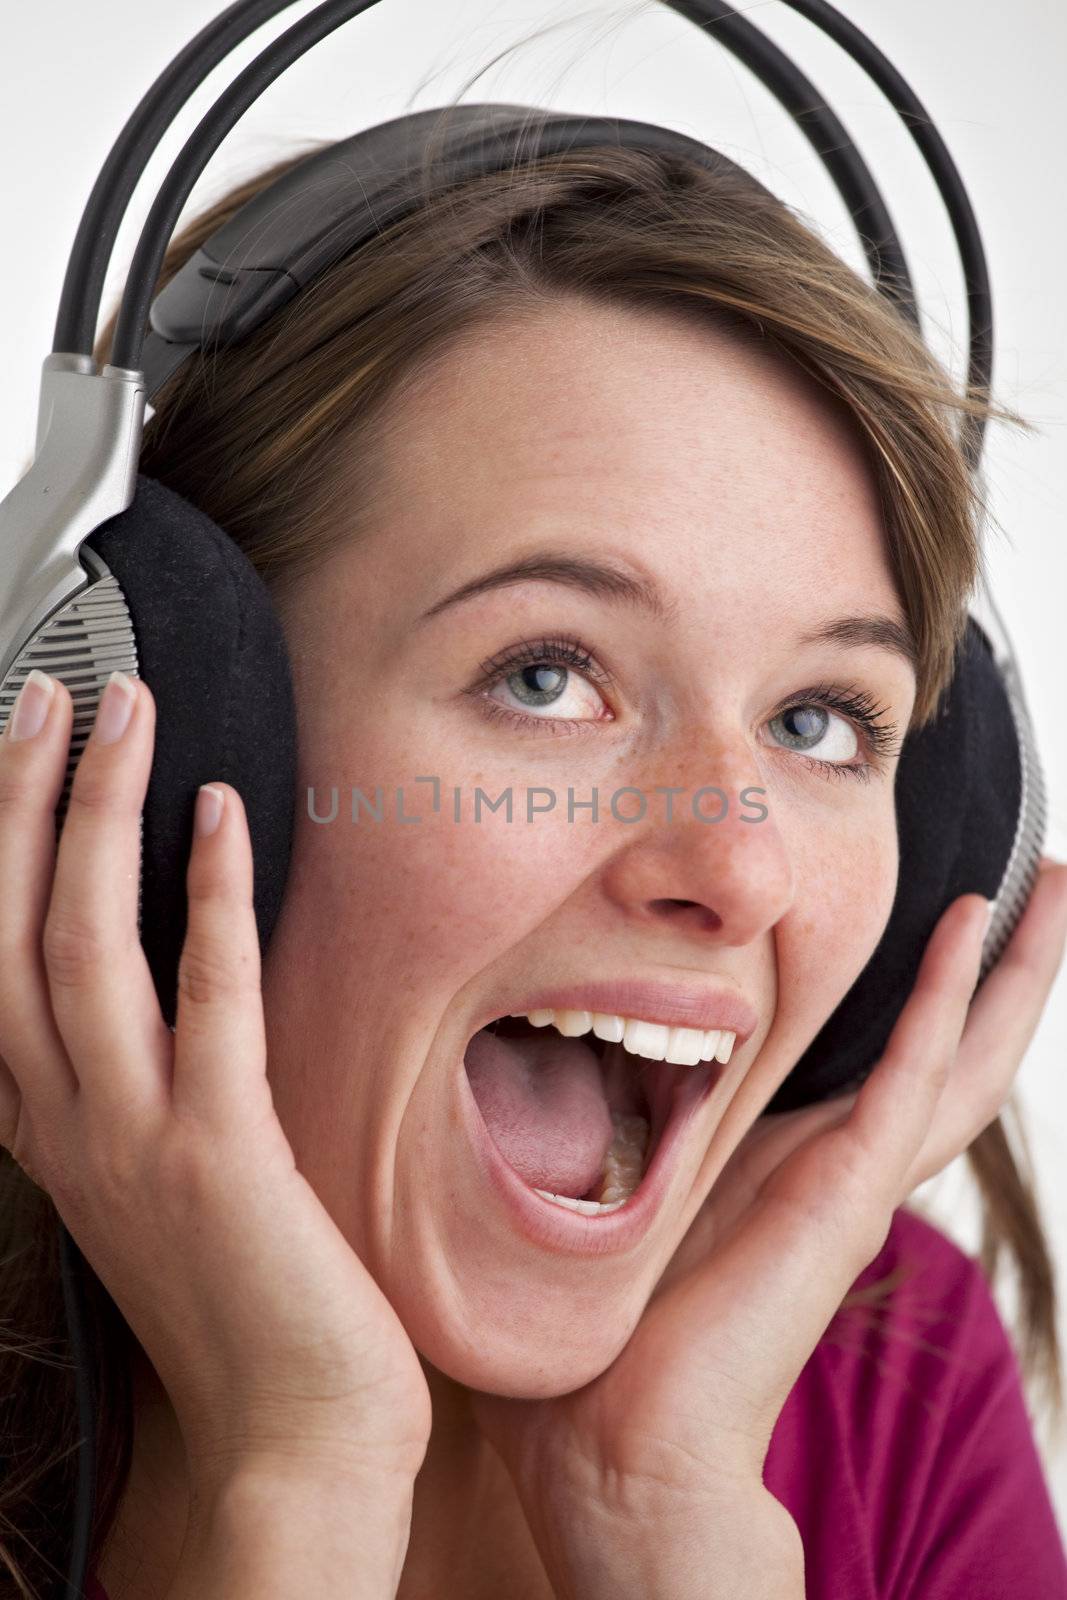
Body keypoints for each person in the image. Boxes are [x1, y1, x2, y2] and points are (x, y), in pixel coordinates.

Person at [1, 123, 1066, 1600]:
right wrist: (293, 1487)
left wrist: (667, 1520)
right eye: (549, 679)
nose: (737, 874)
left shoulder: (895, 1393)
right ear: (183, 734)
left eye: (820, 720)